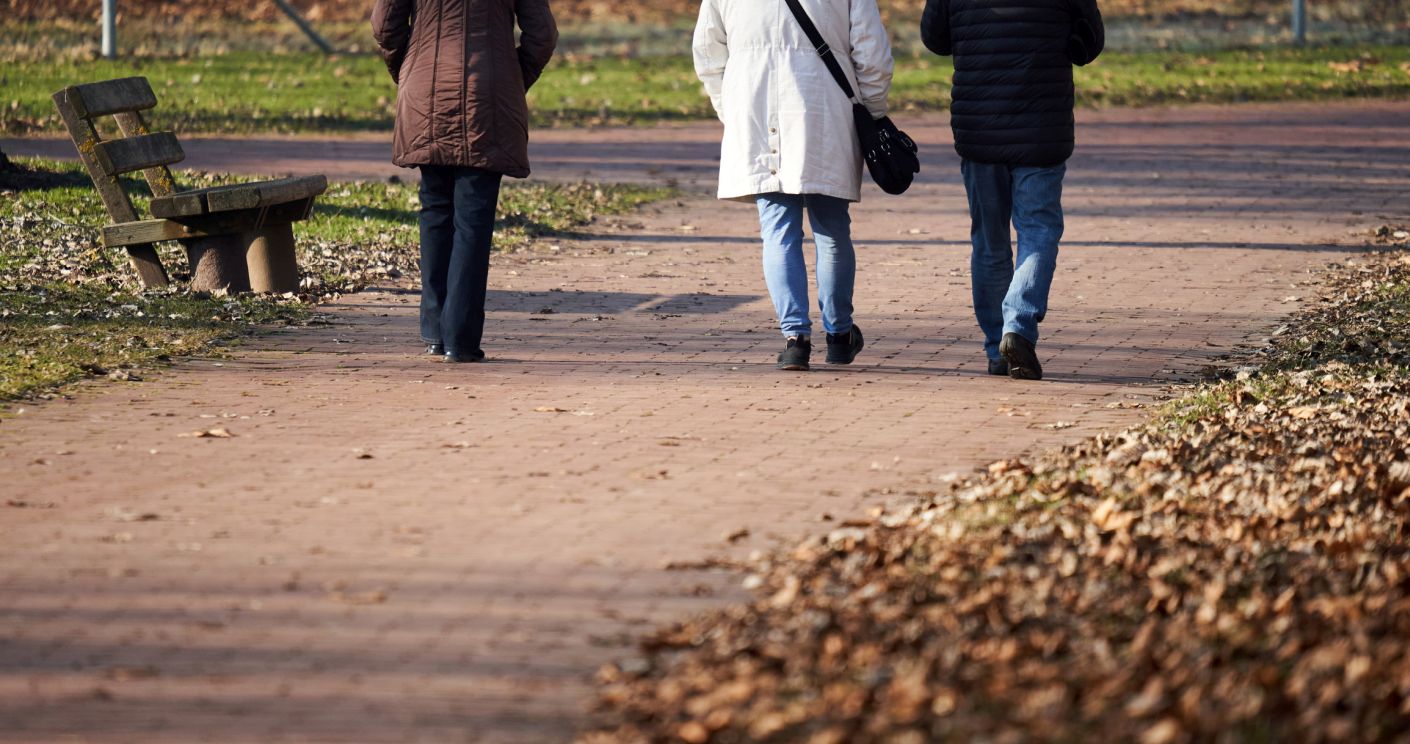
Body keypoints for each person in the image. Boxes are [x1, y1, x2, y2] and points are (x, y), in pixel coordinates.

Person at [694, 0, 894, 371]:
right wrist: (873, 109)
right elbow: (871, 53)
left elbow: (707, 52)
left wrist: (732, 107)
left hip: (754, 109)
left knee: (777, 230)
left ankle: (795, 339)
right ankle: (839, 334)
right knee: (832, 229)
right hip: (826, 109)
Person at [921, 0, 1104, 380]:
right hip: (1042, 128)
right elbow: (1091, 41)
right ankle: (1017, 327)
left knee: (989, 241)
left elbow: (935, 39)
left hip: (979, 127)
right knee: (1038, 230)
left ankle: (996, 348)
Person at [372, 0, 557, 363]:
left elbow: (384, 26)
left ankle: (435, 332)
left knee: (435, 210)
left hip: (425, 91)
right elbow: (542, 36)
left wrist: (410, 68)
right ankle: (461, 340)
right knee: (473, 220)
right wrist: (512, 77)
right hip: (488, 93)